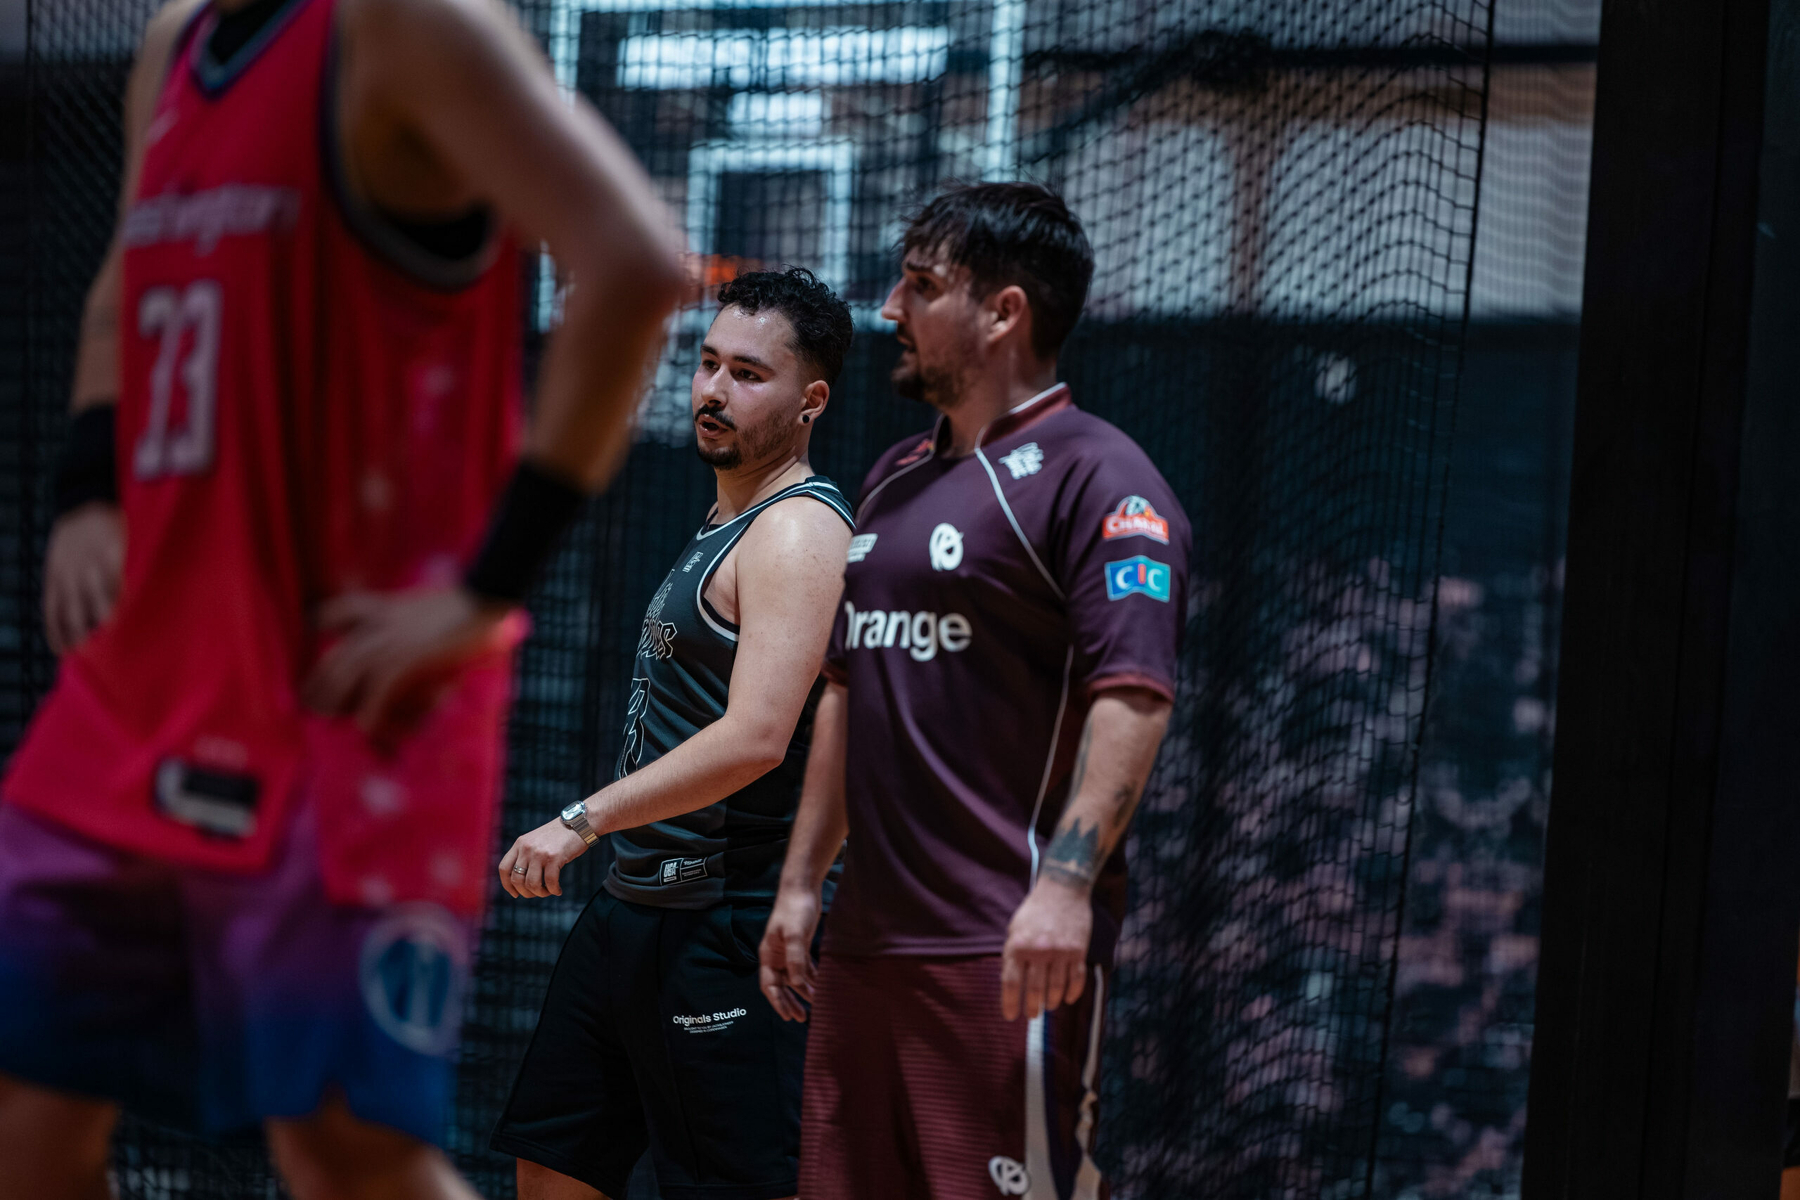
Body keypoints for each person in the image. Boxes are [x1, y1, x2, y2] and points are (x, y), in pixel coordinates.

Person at [0, 0, 684, 1193]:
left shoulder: (407, 27)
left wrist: (484, 587)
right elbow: (128, 274)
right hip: (148, 672)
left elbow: (635, 262)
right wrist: (87, 490)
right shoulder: (176, 44)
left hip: (347, 694)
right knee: (22, 1096)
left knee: (346, 1151)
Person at [758, 183, 1190, 1200]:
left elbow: (1136, 695)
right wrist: (797, 883)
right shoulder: (892, 478)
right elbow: (846, 692)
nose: (890, 309)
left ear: (1003, 314)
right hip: (862, 948)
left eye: (920, 285)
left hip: (1002, 952)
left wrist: (1067, 887)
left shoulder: (1103, 477)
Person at [491, 267, 856, 1200]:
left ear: (810, 399)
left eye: (747, 374)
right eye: (706, 364)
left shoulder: (797, 531)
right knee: (553, 1160)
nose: (712, 391)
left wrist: (581, 818)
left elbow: (757, 739)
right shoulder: (725, 519)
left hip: (723, 920)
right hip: (634, 910)